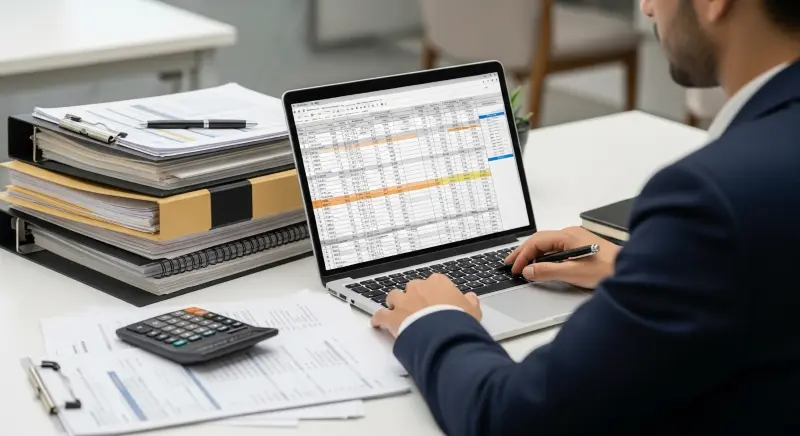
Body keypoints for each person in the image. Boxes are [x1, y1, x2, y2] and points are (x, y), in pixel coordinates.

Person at [370, 1, 800, 434]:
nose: (647, 7)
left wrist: (433, 320)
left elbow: (512, 419)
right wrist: (647, 269)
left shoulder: (708, 198)